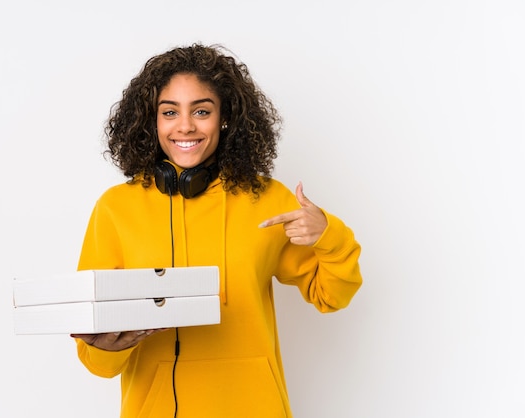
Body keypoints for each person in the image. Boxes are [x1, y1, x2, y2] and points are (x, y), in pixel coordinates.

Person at [70, 43, 362, 418]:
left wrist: (328, 236)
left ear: (225, 118)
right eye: (170, 112)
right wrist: (110, 345)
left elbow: (331, 296)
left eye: (202, 111)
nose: (185, 125)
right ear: (151, 121)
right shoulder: (116, 208)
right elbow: (96, 363)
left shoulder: (269, 199)